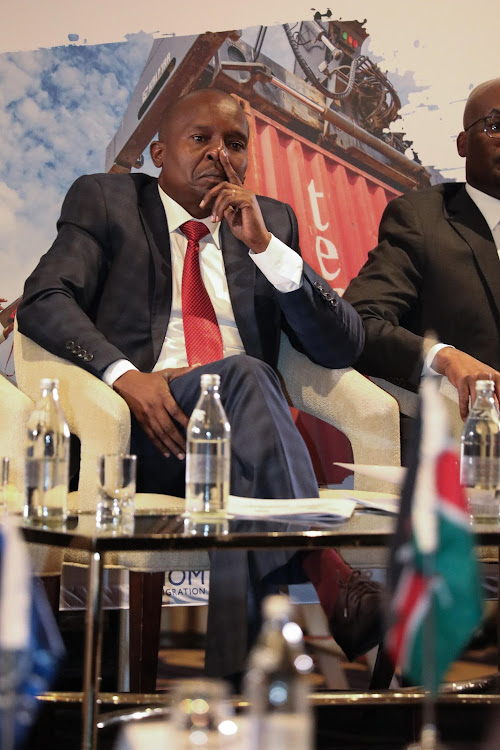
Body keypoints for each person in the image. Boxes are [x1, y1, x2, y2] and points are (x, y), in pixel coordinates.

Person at [17, 88, 381, 678]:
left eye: (236, 144)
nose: (220, 154)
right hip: (144, 429)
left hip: (242, 436)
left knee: (240, 437)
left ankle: (235, 682)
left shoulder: (270, 222)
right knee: (244, 377)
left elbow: (343, 345)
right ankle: (325, 573)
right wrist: (125, 375)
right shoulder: (107, 201)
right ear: (159, 151)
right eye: (201, 139)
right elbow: (44, 298)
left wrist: (266, 248)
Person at [344, 78, 500, 423]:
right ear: (462, 143)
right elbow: (361, 323)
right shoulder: (422, 219)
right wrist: (443, 356)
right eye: (496, 126)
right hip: (461, 438)